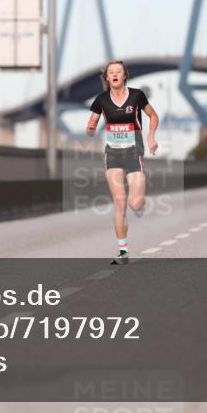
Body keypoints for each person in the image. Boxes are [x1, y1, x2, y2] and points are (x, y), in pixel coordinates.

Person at [86, 60, 160, 265]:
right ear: (107, 78)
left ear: (125, 75)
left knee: (134, 203)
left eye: (119, 71)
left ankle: (140, 203)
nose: (115, 75)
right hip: (113, 155)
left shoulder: (137, 96)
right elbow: (91, 123)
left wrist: (151, 137)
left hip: (134, 153)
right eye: (111, 72)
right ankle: (123, 251)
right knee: (119, 203)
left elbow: (153, 116)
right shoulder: (101, 99)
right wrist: (91, 127)